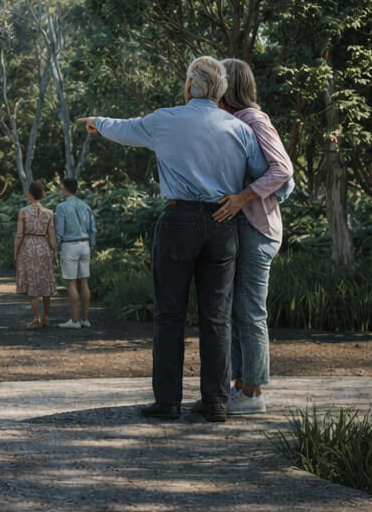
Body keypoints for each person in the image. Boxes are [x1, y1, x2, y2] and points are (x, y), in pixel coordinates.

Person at [79, 55, 267, 423]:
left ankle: (168, 401)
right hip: (222, 222)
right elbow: (263, 174)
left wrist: (95, 124)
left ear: (188, 86)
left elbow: (125, 129)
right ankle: (215, 400)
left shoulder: (165, 120)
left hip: (178, 220)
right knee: (216, 317)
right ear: (221, 90)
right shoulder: (239, 128)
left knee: (169, 315)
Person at [211, 58, 294, 416]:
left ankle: (254, 390)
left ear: (229, 86)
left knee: (249, 312)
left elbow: (283, 169)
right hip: (245, 227)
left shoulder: (253, 120)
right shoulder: (232, 121)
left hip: (258, 229)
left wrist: (242, 197)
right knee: (235, 310)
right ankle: (242, 384)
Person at [13, 180, 58, 328]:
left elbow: (19, 235)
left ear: (29, 194)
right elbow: (52, 236)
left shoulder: (23, 212)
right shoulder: (49, 213)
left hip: (28, 247)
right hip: (43, 247)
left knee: (32, 283)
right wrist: (54, 254)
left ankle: (36, 317)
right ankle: (46, 316)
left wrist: (15, 252)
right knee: (45, 283)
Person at [54, 178, 96, 329]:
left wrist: (56, 249)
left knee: (71, 283)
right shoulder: (86, 206)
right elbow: (93, 229)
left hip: (69, 246)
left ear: (65, 189)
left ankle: (74, 320)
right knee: (84, 283)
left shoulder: (61, 207)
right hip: (85, 244)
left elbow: (59, 231)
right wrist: (91, 245)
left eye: (61, 188)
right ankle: (85, 319)